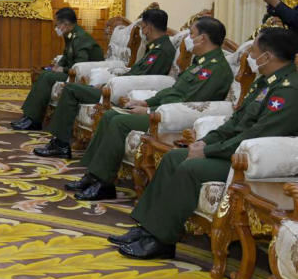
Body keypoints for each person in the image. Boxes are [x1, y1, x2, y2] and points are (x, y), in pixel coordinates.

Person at [111, 27, 298, 259]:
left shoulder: (289, 90)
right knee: (172, 158)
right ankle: (148, 228)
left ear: (267, 56)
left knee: (190, 168)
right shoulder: (265, 83)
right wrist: (204, 142)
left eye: (253, 51)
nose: (249, 56)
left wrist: (209, 151)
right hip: (232, 150)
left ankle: (162, 241)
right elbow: (235, 122)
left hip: (251, 162)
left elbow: (257, 134)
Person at [67, 16, 234, 201]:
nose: (188, 39)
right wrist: (146, 103)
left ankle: (104, 184)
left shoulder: (215, 69)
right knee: (109, 116)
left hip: (171, 119)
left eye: (192, 34)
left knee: (119, 122)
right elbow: (173, 90)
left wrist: (149, 111)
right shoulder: (201, 63)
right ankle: (93, 176)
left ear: (202, 38)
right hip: (160, 109)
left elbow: (189, 100)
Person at [35, 8, 176, 159]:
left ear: (149, 27)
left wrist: (110, 85)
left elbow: (143, 78)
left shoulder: (161, 50)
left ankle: (61, 145)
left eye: (142, 27)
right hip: (117, 87)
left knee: (71, 89)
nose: (142, 31)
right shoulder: (155, 47)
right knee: (74, 88)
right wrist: (105, 84)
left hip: (122, 93)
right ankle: (60, 142)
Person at [11, 7, 104, 131]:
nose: (56, 28)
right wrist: (57, 65)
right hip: (71, 72)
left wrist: (63, 70)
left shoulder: (81, 38)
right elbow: (66, 55)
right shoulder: (71, 35)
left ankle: (33, 120)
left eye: (57, 25)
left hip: (81, 77)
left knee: (47, 77)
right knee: (45, 74)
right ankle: (29, 117)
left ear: (65, 24)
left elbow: (81, 64)